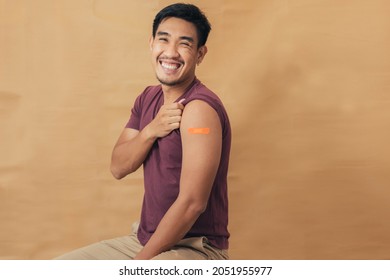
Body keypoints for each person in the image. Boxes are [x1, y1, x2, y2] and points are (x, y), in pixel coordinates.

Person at [55, 3, 231, 260]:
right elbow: (118, 167)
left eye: (184, 44)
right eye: (163, 40)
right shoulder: (147, 99)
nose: (170, 53)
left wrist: (138, 266)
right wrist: (152, 129)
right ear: (151, 43)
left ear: (200, 54)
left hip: (195, 248)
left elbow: (193, 203)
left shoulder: (199, 110)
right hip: (143, 240)